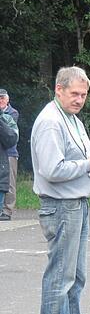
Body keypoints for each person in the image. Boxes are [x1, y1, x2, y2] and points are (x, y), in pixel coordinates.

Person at [30, 66, 90, 314]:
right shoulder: (51, 122)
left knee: (76, 275)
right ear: (58, 90)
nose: (79, 99)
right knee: (60, 274)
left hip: (77, 203)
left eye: (84, 94)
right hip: (61, 207)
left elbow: (75, 163)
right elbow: (52, 170)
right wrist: (89, 166)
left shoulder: (71, 120)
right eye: (74, 93)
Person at [0, 88, 20, 221]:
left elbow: (8, 132)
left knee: (10, 183)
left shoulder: (12, 113)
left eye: (2, 98)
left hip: (10, 152)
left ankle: (7, 210)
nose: (0, 100)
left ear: (7, 100)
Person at [0, 111, 19, 208]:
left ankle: (7, 210)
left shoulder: (7, 117)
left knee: (11, 185)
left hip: (7, 157)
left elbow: (12, 139)